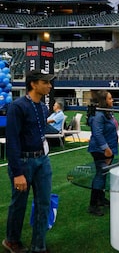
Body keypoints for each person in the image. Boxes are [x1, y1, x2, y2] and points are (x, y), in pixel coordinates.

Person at [3, 69, 55, 253]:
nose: (49, 85)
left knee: (44, 203)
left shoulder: (42, 107)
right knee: (19, 204)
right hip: (23, 162)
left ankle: (38, 246)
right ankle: (11, 240)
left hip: (43, 160)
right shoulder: (18, 107)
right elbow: (13, 140)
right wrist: (17, 173)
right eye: (45, 82)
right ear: (33, 84)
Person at [87, 90, 118, 216]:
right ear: (104, 101)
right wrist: (106, 148)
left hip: (108, 148)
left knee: (104, 174)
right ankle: (93, 204)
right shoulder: (99, 115)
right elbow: (97, 133)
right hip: (101, 150)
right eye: (110, 99)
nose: (112, 100)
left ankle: (101, 198)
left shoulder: (106, 113)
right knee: (100, 175)